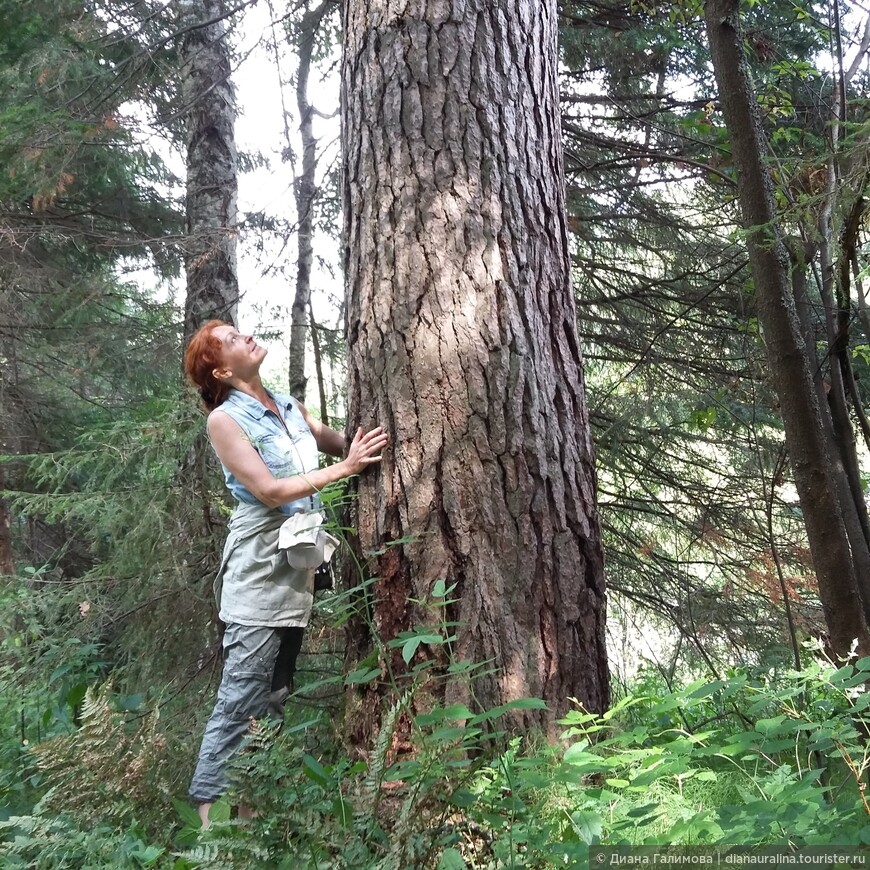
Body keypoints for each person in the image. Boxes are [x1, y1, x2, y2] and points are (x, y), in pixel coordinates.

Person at [183, 319, 388, 827]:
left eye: (239, 330)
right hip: (257, 575)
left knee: (271, 699)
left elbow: (337, 442)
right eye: (232, 340)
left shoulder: (290, 406)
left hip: (295, 577)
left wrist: (381, 440)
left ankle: (248, 830)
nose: (245, 336)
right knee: (239, 701)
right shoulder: (225, 421)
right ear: (223, 369)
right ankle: (213, 836)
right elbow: (270, 491)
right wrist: (347, 468)